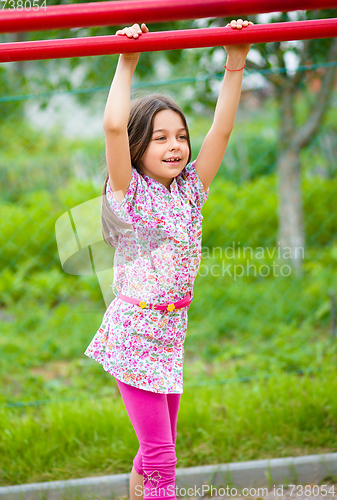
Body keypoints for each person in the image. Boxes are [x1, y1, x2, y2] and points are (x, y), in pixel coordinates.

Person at [84, 18, 253, 500]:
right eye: (160, 138)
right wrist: (128, 59)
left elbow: (221, 130)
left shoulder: (190, 193)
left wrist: (235, 62)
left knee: (156, 447)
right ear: (138, 149)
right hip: (136, 333)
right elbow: (114, 124)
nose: (175, 145)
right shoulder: (129, 194)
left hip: (169, 333)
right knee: (162, 458)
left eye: (180, 135)